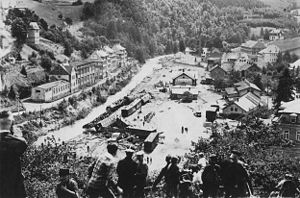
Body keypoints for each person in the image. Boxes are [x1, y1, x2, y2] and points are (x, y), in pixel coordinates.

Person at [0, 110, 28, 198]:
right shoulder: (18, 143)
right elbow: (23, 144)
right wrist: (15, 134)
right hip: (14, 190)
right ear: (11, 123)